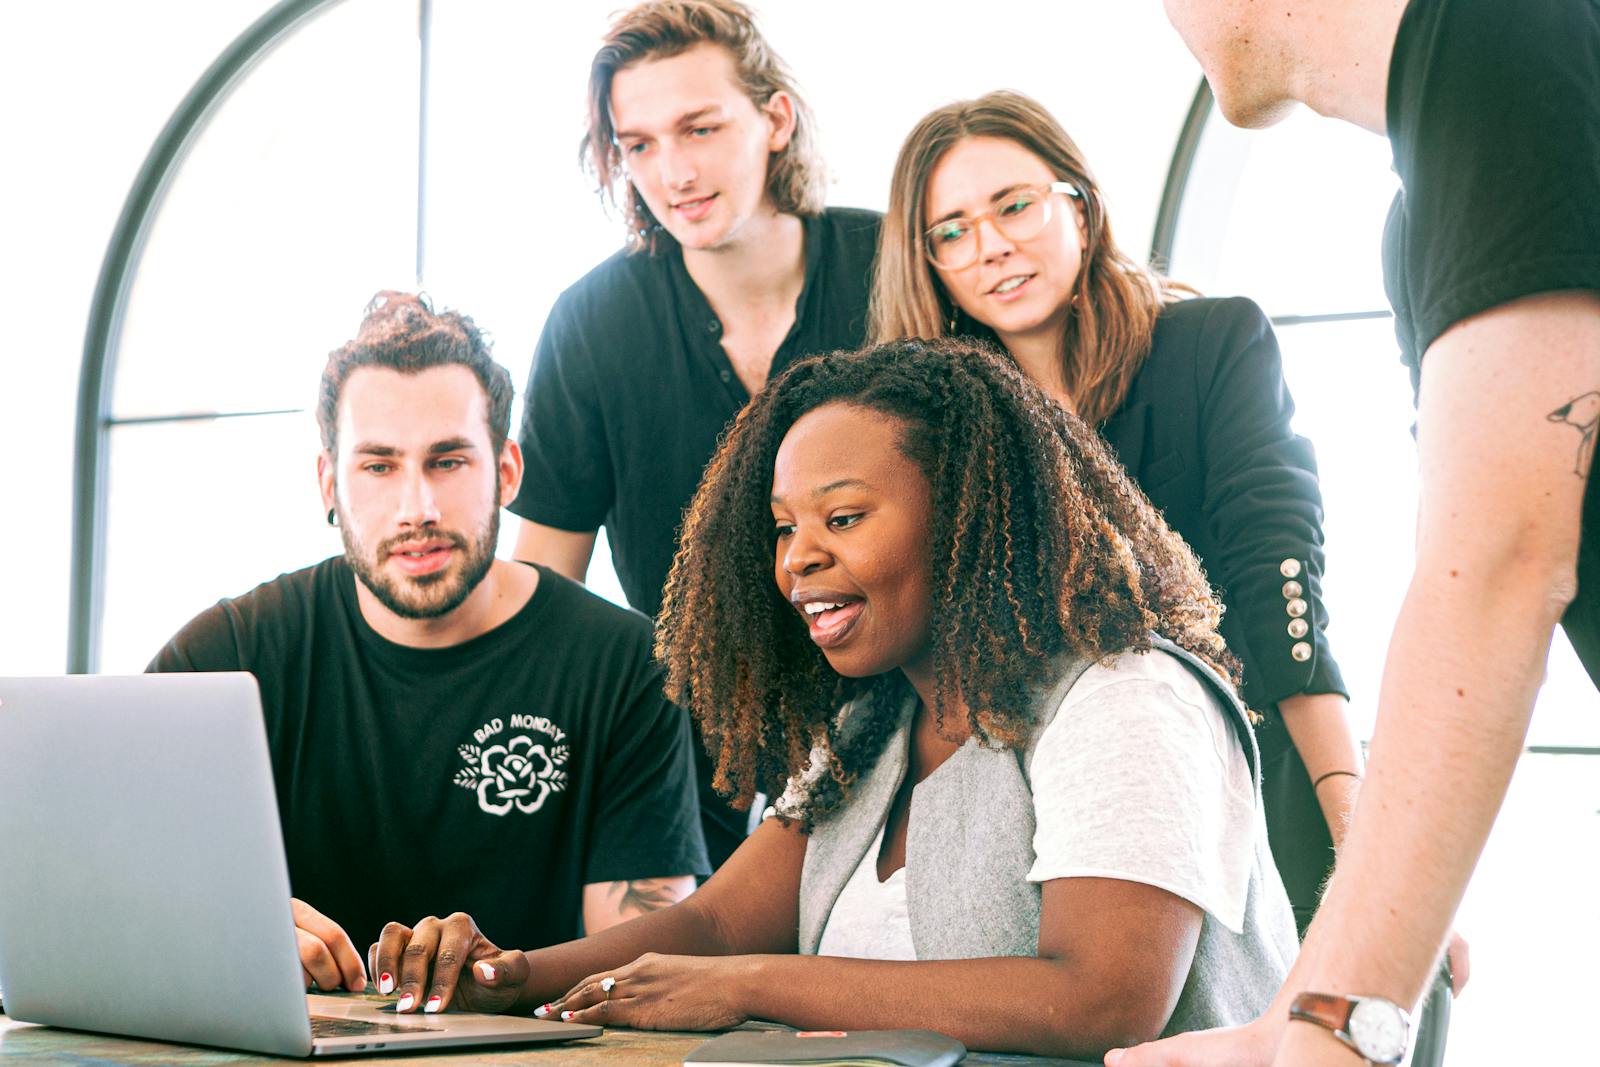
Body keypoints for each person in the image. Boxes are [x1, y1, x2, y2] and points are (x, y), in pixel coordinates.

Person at [361, 337, 1300, 1059]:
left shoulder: (1124, 695)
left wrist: (757, 986)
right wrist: (506, 976)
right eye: (782, 528)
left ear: (968, 511)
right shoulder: (876, 722)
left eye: (842, 518)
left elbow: (1102, 994)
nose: (797, 557)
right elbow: (717, 923)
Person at [1111, 1, 1600, 1065]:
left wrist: (1334, 1026)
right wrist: (1305, 1011)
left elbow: (1500, 567)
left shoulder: (1505, 36)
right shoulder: (1426, 194)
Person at [872, 89, 1361, 933]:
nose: (989, 246)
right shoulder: (930, 428)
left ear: (1082, 207)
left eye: (1014, 206)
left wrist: (1351, 808)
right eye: (950, 231)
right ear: (930, 266)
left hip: (1240, 760)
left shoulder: (1211, 347)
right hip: (1042, 801)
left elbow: (1278, 569)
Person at [149, 292, 708, 1002]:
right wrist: (229, 929)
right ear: (329, 482)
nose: (418, 507)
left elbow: (640, 969)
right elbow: (104, 874)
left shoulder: (623, 662)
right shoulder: (228, 653)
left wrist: (502, 975)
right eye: (379, 467)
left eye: (447, 461)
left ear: (506, 470)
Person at [508, 0, 880, 869]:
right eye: (638, 145)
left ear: (775, 118)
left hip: (911, 731)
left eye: (700, 128)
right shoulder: (590, 324)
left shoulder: (892, 265)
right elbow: (542, 593)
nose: (672, 171)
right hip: (694, 766)